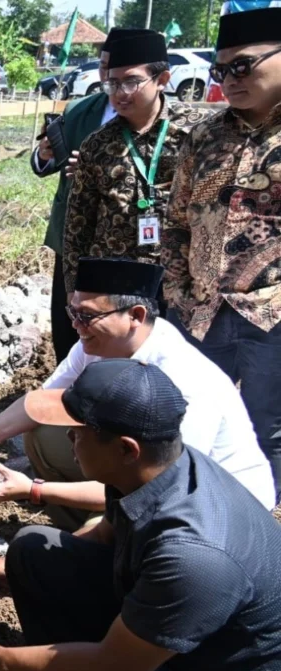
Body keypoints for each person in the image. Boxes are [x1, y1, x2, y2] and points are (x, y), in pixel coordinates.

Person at [0, 360, 281, 671]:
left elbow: (116, 666)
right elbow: (105, 535)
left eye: (78, 432)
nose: (68, 437)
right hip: (180, 624)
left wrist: (2, 663)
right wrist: (17, 571)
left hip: (217, 664)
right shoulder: (154, 468)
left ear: (126, 449)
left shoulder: (193, 557)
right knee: (32, 551)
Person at [0, 258, 274, 531]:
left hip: (218, 508)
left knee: (96, 555)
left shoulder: (182, 378)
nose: (77, 326)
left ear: (135, 315)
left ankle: (106, 537)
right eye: (73, 313)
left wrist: (35, 490)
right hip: (151, 475)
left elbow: (164, 486)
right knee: (43, 432)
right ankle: (95, 519)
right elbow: (42, 401)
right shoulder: (95, 344)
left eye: (88, 316)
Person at [162, 6, 281, 497]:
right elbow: (176, 222)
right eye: (220, 70)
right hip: (201, 311)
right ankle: (190, 515)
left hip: (270, 315)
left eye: (244, 65)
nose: (230, 80)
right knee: (186, 421)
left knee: (266, 429)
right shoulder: (206, 135)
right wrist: (176, 291)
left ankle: (259, 530)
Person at [62, 30, 216, 294]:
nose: (120, 93)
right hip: (115, 282)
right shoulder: (97, 144)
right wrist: (76, 294)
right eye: (112, 83)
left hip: (184, 280)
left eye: (132, 82)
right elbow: (78, 227)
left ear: (162, 80)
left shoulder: (200, 133)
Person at [31, 28, 128, 361]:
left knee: (119, 322)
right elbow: (47, 162)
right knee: (69, 319)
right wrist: (45, 155)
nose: (107, 77)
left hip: (127, 241)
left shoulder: (165, 125)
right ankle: (68, 391)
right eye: (103, 67)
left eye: (117, 70)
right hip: (74, 236)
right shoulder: (81, 110)